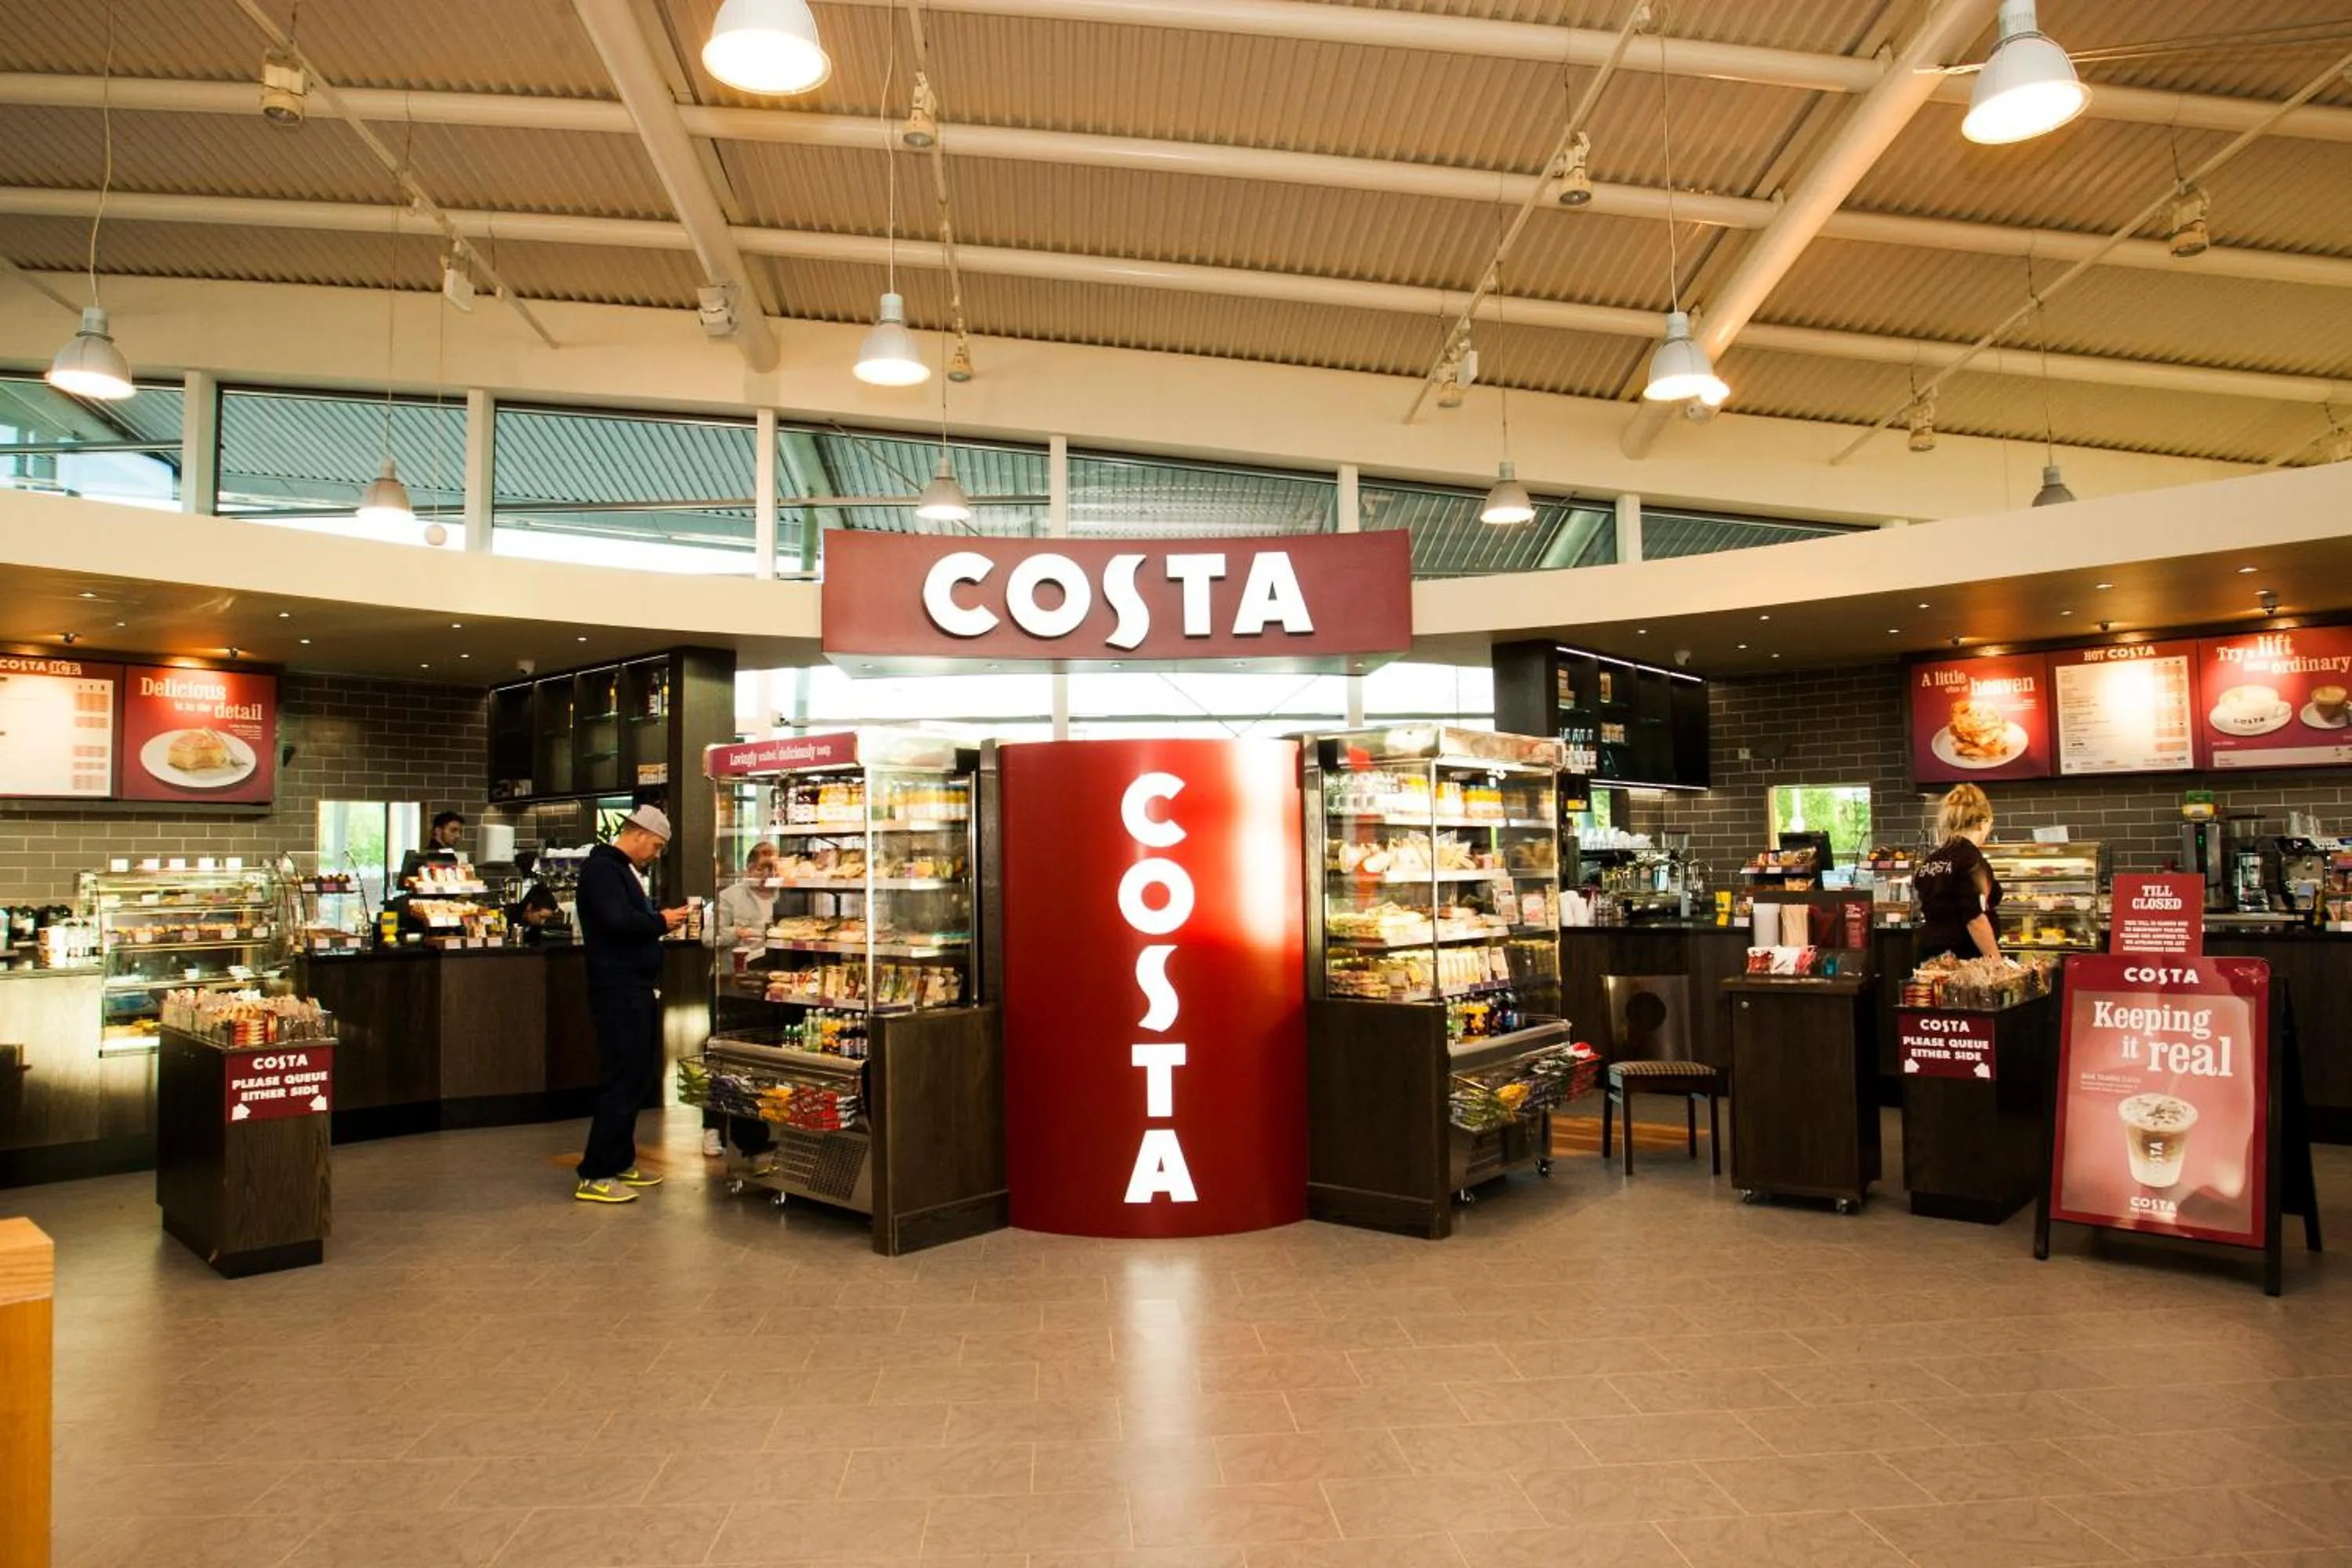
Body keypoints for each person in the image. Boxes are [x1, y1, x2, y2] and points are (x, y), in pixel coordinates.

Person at [573, 805, 692, 1204]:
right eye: (656, 846)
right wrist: (661, 922)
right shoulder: (602, 871)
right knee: (622, 1077)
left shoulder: (622, 871)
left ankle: (620, 1160)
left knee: (636, 1075)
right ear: (638, 833)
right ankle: (596, 1173)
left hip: (635, 987)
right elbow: (616, 921)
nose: (656, 854)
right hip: (617, 989)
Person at [703, 841, 779, 1161]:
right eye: (763, 869)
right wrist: (737, 932)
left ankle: (754, 1137)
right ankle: (713, 1127)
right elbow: (708, 938)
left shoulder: (786, 895)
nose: (768, 876)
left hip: (768, 986)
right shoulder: (730, 897)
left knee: (760, 1060)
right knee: (725, 1056)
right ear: (749, 869)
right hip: (729, 986)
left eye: (774, 870)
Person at [1915, 783, 2004, 963]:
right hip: (1964, 960)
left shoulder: (1931, 860)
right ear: (1982, 823)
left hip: (1931, 955)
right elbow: (1975, 919)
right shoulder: (1971, 860)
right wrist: (1996, 962)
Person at [397, 811, 466, 885]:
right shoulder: (425, 857)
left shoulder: (451, 855)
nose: (458, 835)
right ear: (438, 831)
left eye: (460, 832)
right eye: (453, 830)